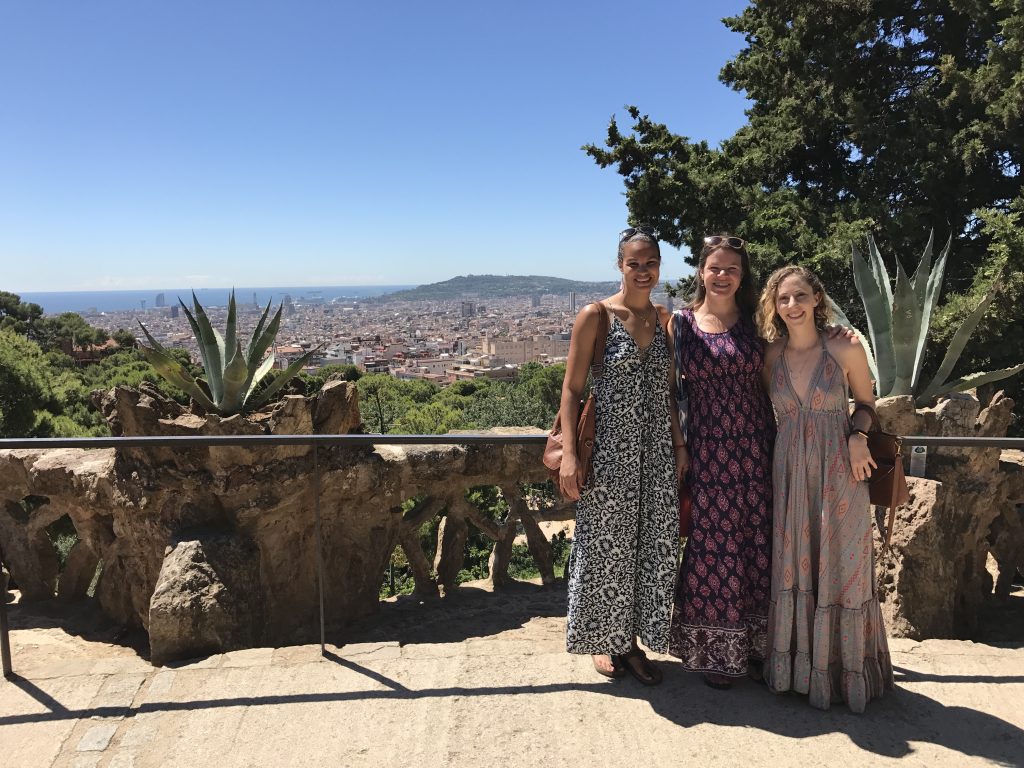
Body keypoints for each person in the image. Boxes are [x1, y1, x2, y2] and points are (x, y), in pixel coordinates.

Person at [757, 265, 894, 713]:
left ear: (817, 299)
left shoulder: (843, 348)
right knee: (795, 564)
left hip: (840, 470)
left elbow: (867, 405)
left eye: (800, 296)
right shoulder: (771, 356)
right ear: (774, 306)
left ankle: (843, 673)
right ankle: (795, 671)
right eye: (783, 299)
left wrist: (857, 435)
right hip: (790, 472)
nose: (792, 306)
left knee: (842, 564)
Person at [561, 225, 686, 684]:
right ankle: (606, 642)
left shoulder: (664, 319)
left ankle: (632, 642)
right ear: (620, 265)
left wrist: (678, 445)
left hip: (654, 451)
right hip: (610, 450)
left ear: (659, 267)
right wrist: (572, 456)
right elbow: (573, 389)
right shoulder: (597, 316)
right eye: (633, 263)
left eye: (650, 263)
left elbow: (669, 394)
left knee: (651, 546)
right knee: (605, 549)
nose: (642, 270)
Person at [667, 234, 775, 689]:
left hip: (757, 447)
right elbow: (670, 393)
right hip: (708, 450)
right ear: (701, 272)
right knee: (714, 547)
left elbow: (777, 379)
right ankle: (715, 650)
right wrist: (681, 447)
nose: (723, 275)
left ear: (742, 274)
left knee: (759, 544)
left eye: (732, 268)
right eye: (715, 267)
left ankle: (757, 647)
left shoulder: (760, 323)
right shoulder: (682, 324)